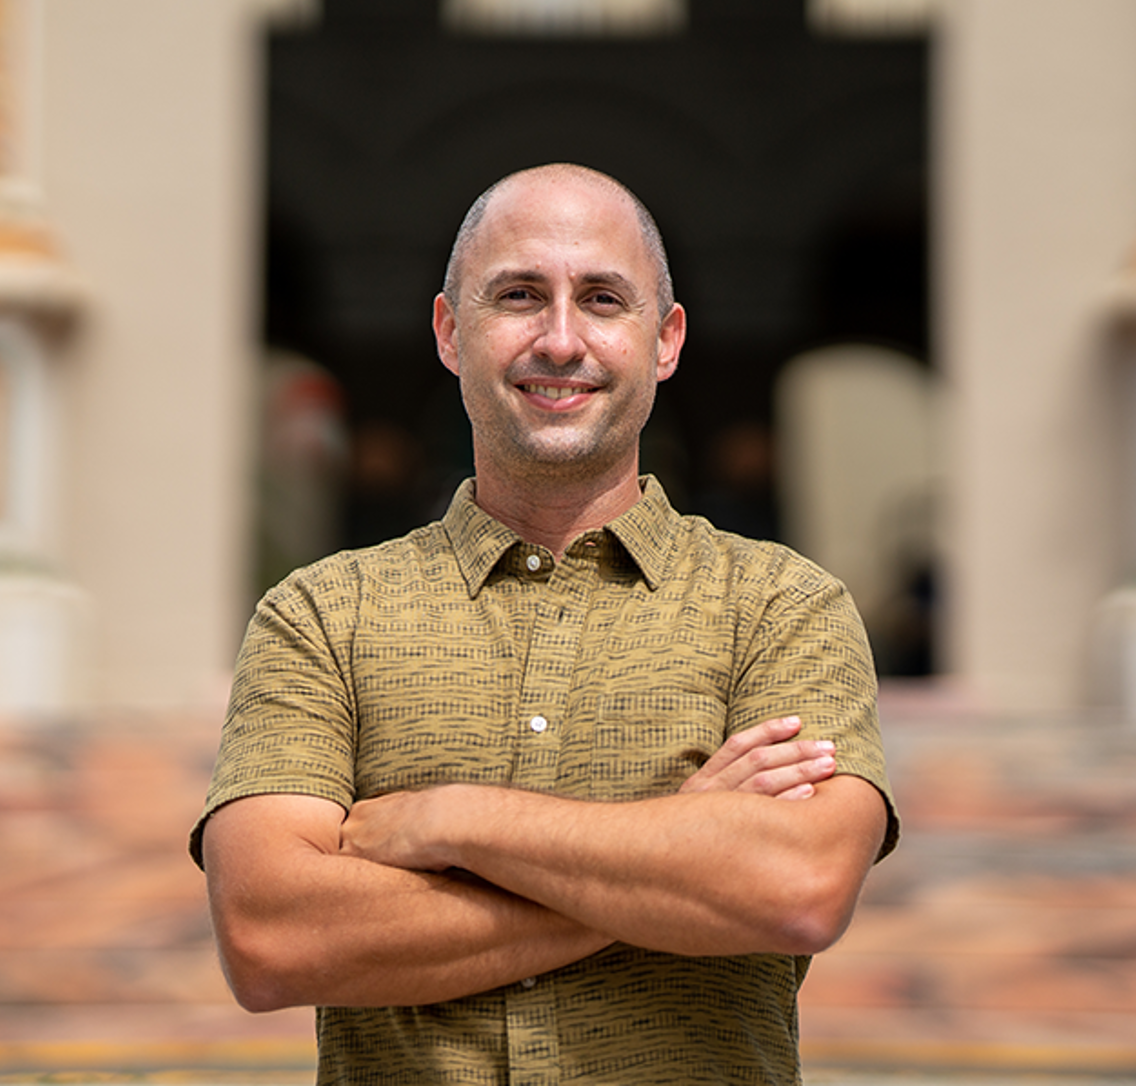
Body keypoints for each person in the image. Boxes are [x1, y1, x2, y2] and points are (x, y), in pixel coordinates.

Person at [190, 163, 898, 1085]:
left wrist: (452, 822)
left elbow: (798, 889)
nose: (561, 340)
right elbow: (269, 936)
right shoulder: (322, 616)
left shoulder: (784, 607)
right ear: (451, 331)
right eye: (519, 295)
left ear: (665, 339)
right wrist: (677, 853)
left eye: (603, 299)